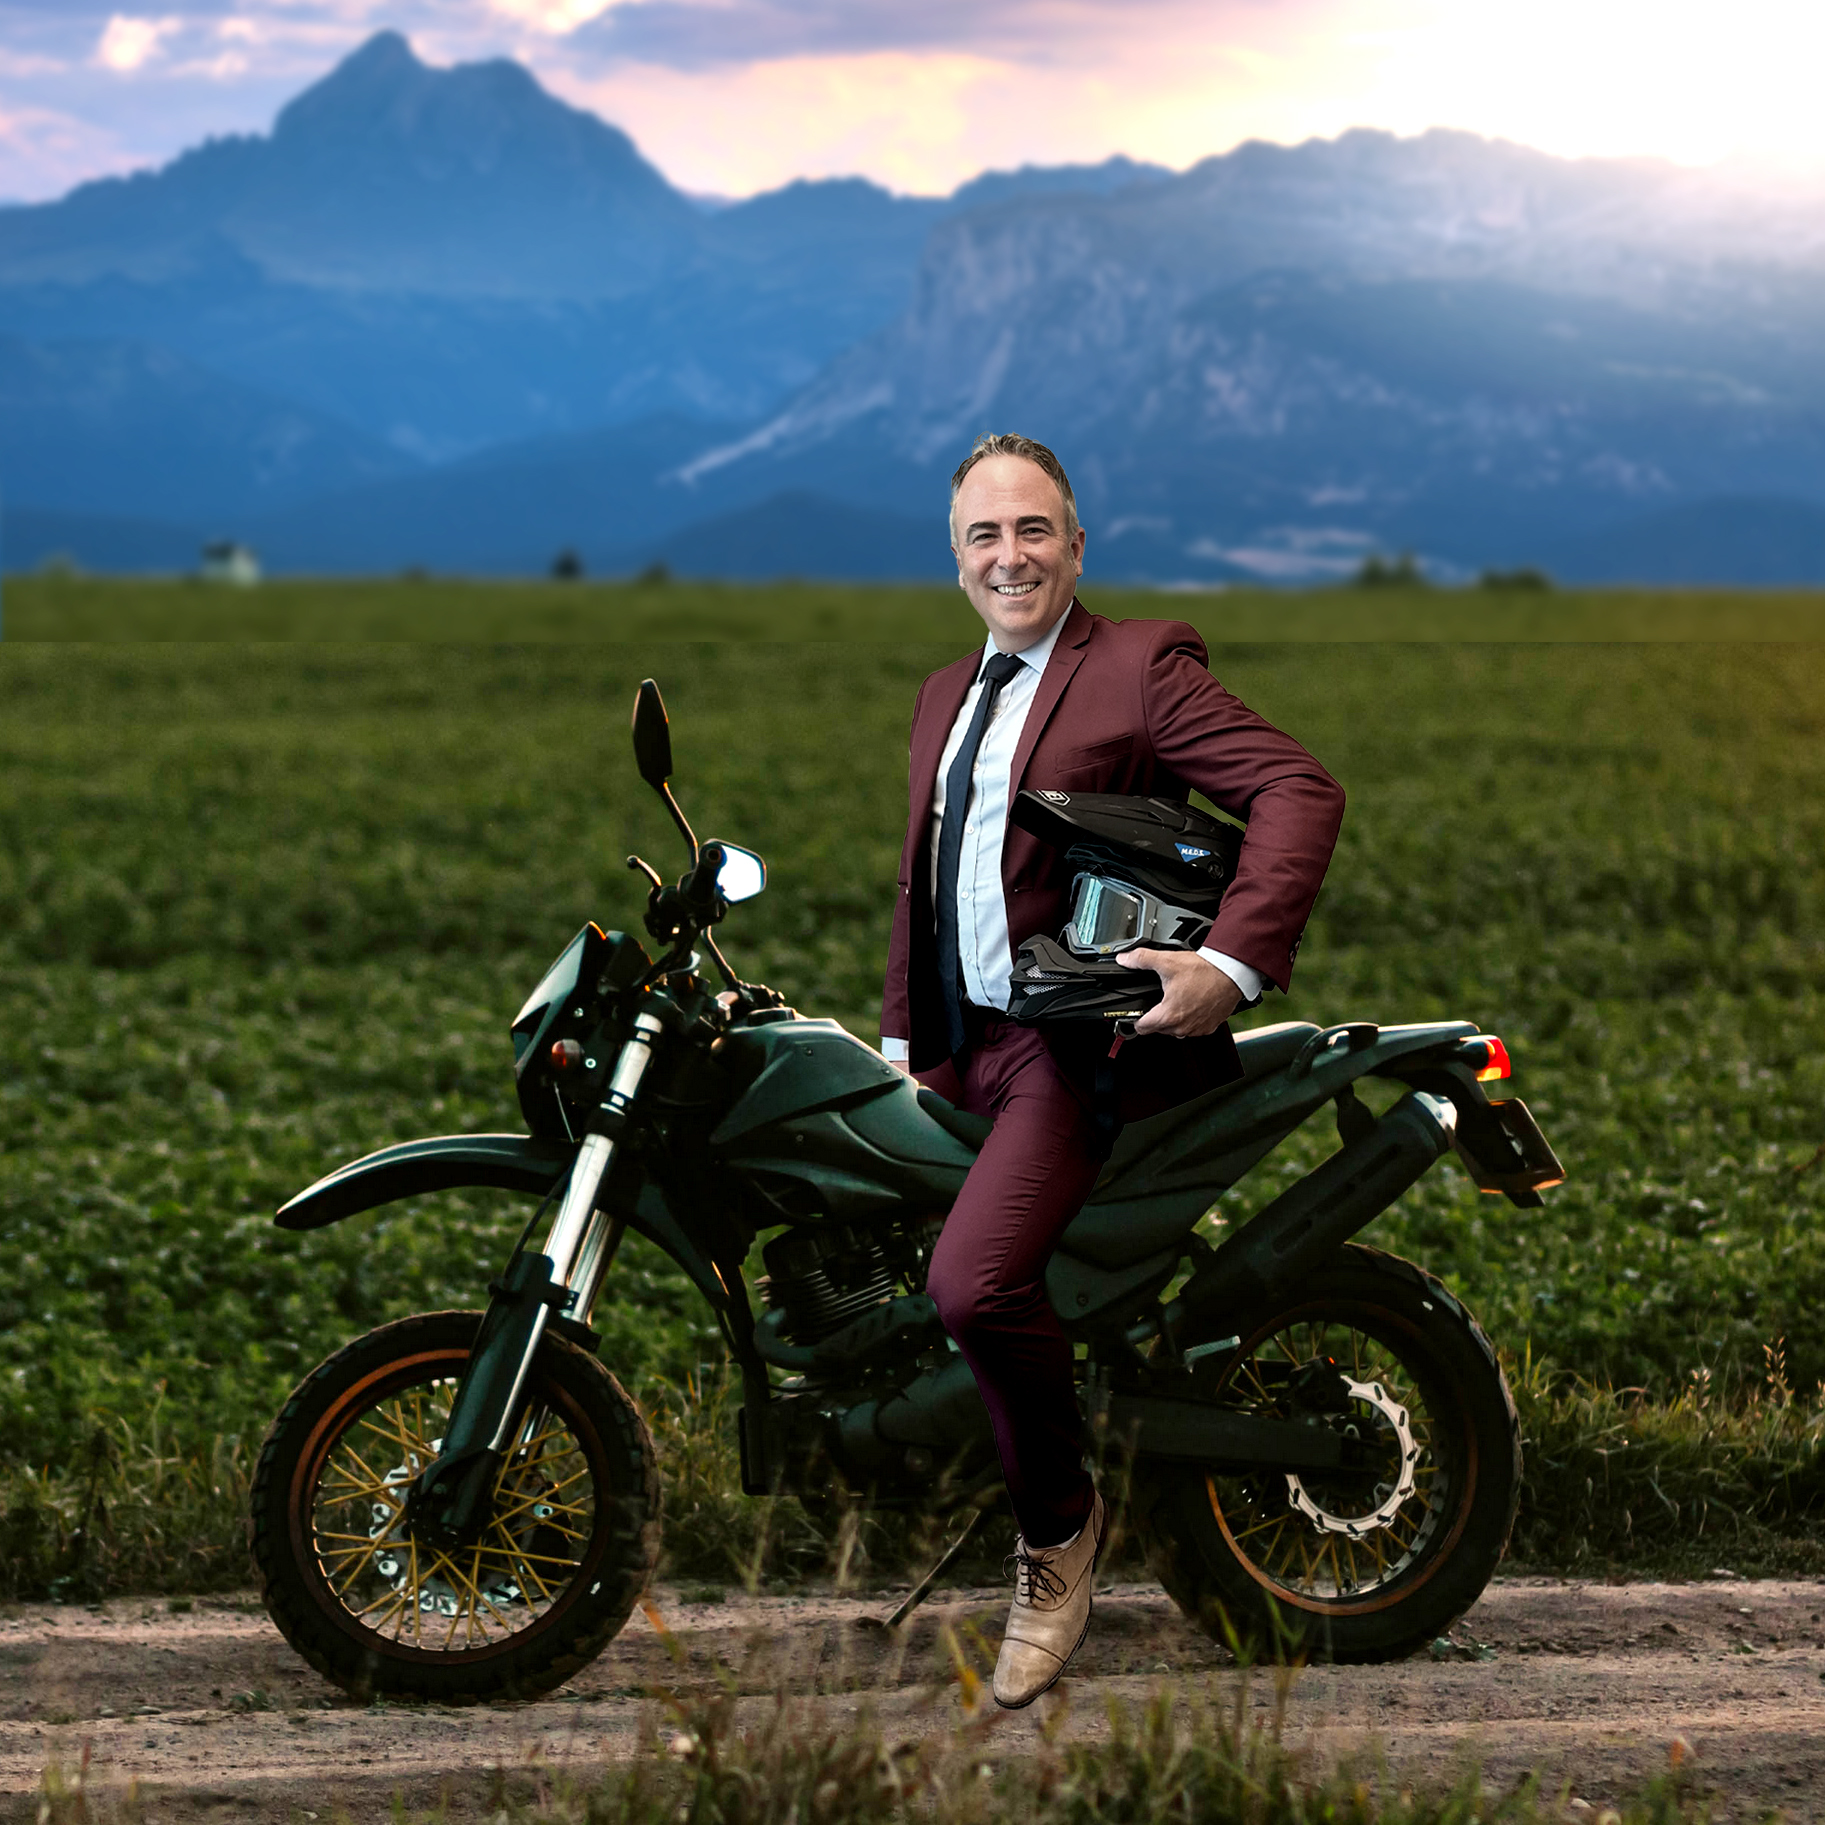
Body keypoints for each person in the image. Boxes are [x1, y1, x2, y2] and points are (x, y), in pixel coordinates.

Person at [879, 432, 1345, 1708]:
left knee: (972, 1286)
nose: (1009, 555)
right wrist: (901, 1040)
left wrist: (1229, 966)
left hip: (1069, 1051)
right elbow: (925, 884)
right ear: (956, 556)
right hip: (965, 1045)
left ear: (1076, 548)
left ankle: (1059, 1536)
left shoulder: (1138, 667)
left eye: (1033, 531)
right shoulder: (942, 693)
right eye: (985, 534)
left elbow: (1298, 788)